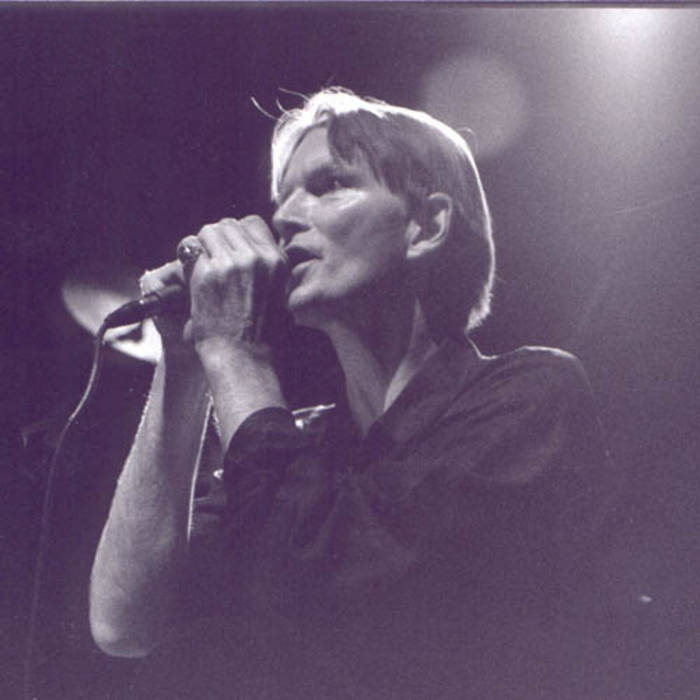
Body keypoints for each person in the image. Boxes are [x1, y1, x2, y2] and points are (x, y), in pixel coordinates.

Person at [90, 88, 614, 699]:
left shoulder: (531, 397)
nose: (283, 219)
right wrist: (185, 361)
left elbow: (340, 597)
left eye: (329, 184)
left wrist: (236, 352)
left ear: (427, 226)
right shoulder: (304, 441)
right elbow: (124, 621)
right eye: (282, 198)